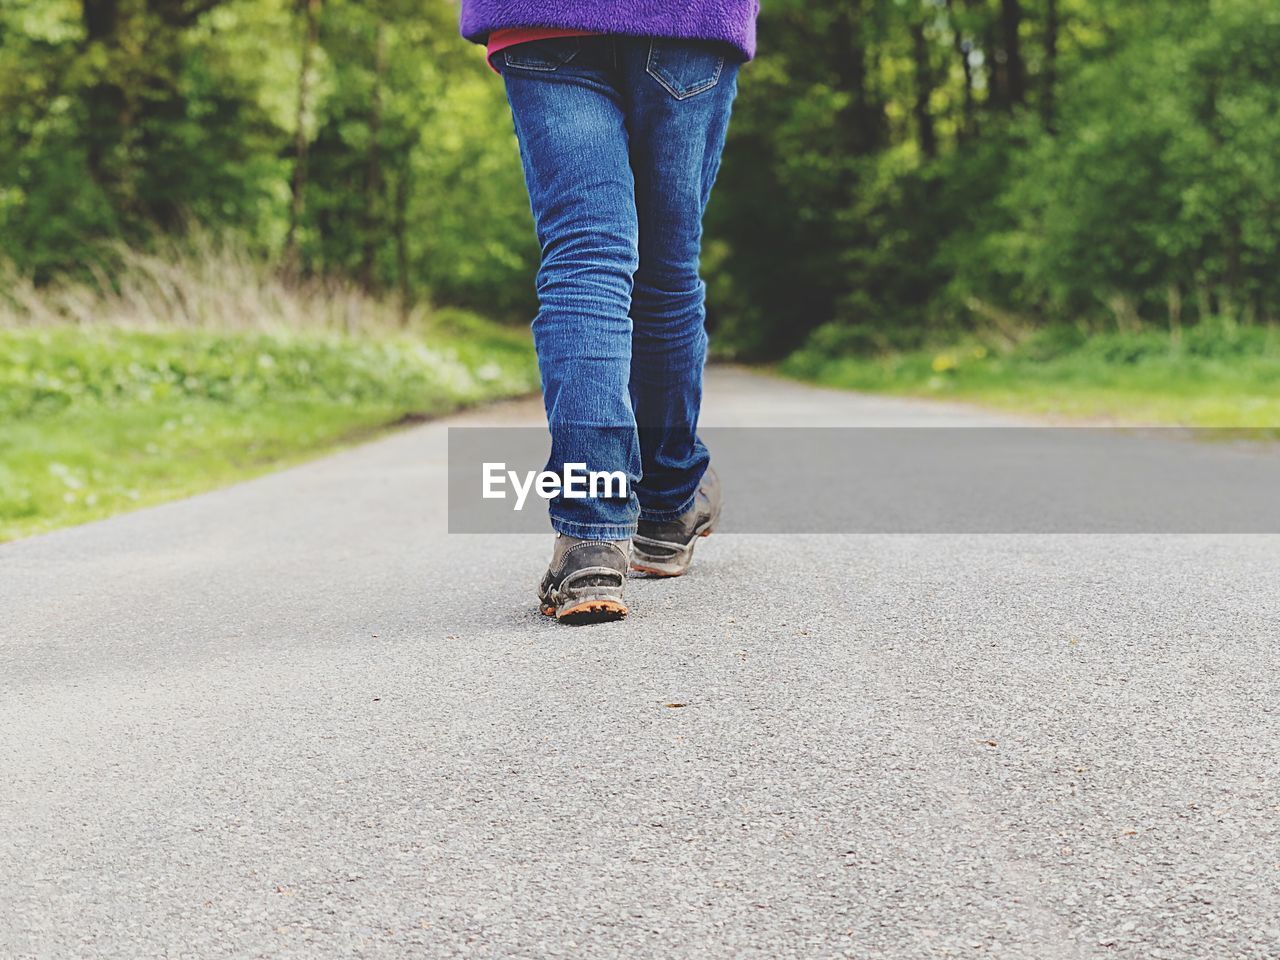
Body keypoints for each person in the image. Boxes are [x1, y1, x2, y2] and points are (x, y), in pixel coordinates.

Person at [459, 1, 759, 623]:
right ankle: (669, 503)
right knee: (667, 270)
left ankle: (590, 538)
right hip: (686, 22)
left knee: (585, 259)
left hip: (545, 18)